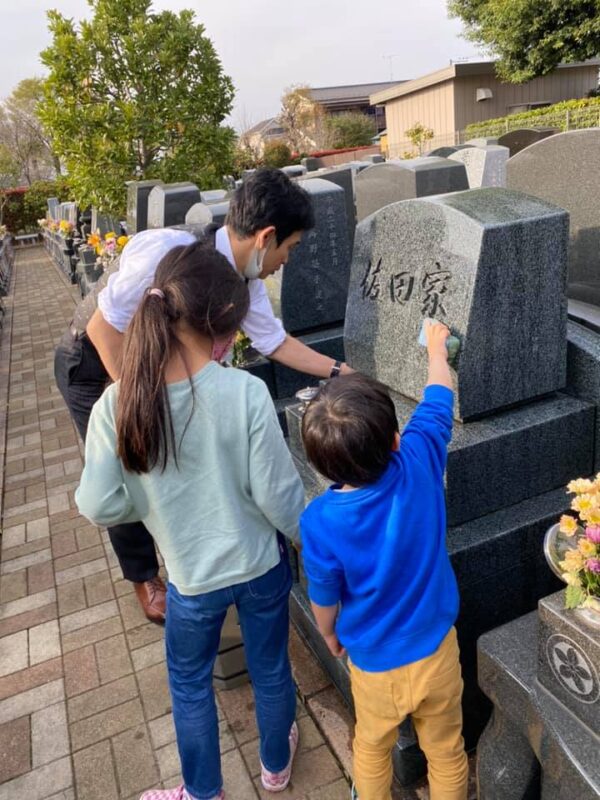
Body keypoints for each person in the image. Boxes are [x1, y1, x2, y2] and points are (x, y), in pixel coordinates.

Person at [55, 168, 352, 623]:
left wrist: (340, 371)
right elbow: (102, 327)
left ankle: (196, 557)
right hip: (93, 363)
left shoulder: (244, 281)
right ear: (266, 237)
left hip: (157, 368)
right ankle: (145, 578)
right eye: (290, 248)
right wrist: (140, 404)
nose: (287, 261)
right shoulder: (169, 252)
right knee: (130, 455)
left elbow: (274, 343)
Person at [75, 242, 305, 800]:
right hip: (259, 566)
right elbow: (280, 500)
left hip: (189, 578)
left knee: (189, 684)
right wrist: (319, 542)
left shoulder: (119, 402)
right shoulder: (245, 393)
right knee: (271, 667)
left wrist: (151, 507)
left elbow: (99, 504)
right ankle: (275, 767)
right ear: (225, 324)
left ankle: (203, 791)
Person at [299, 321, 469, 800]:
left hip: (374, 664)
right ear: (395, 438)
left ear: (322, 463)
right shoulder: (419, 458)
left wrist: (329, 634)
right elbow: (438, 399)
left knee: (372, 747)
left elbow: (324, 595)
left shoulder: (320, 522)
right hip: (437, 648)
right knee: (447, 750)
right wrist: (437, 349)